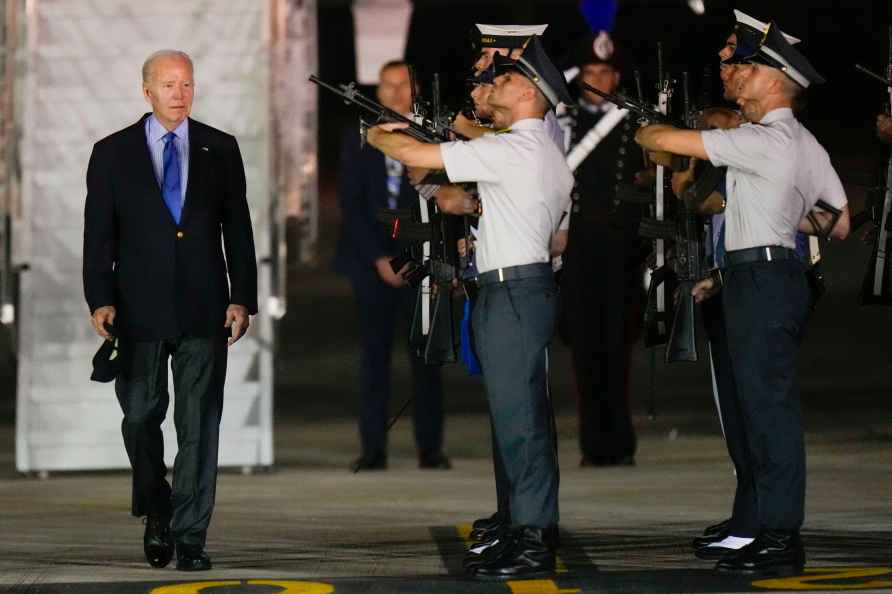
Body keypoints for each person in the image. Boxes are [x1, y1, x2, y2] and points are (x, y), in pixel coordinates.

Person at [636, 23, 849, 576]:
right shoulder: (804, 143)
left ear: (778, 80)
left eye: (751, 68)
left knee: (766, 412)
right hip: (768, 276)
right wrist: (781, 214)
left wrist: (650, 127)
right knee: (756, 408)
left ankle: (780, 535)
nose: (739, 73)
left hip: (763, 282)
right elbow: (839, 221)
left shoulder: (763, 140)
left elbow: (659, 142)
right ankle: (760, 524)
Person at [367, 36, 573, 580]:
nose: (494, 84)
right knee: (517, 419)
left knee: (521, 424)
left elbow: (415, 156)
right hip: (514, 288)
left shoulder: (517, 148)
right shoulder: (528, 150)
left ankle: (531, 539)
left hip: (514, 292)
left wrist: (376, 131)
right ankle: (525, 528)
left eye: (505, 79)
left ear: (530, 92)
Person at [82, 50, 258, 571]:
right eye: (168, 84)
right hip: (136, 311)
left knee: (199, 424)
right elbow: (99, 235)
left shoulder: (220, 147)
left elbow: (239, 230)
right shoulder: (111, 152)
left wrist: (241, 295)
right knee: (140, 416)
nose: (180, 93)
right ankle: (156, 505)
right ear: (147, 90)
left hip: (205, 308)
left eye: (187, 84)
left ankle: (189, 536)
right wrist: (100, 298)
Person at [333, 60, 450, 472]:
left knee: (426, 358)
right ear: (378, 91)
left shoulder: (431, 135)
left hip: (421, 264)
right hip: (371, 265)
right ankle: (373, 449)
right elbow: (351, 204)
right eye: (388, 85)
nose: (396, 93)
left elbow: (440, 202)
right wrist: (378, 258)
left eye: (404, 84)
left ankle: (430, 448)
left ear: (415, 89)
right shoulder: (360, 138)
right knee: (373, 359)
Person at [559, 37, 646, 468]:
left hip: (620, 250)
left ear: (618, 78)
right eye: (590, 73)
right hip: (576, 251)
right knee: (582, 347)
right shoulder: (562, 123)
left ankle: (620, 441)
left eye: (606, 73)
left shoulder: (633, 123)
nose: (598, 80)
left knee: (618, 346)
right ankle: (593, 442)